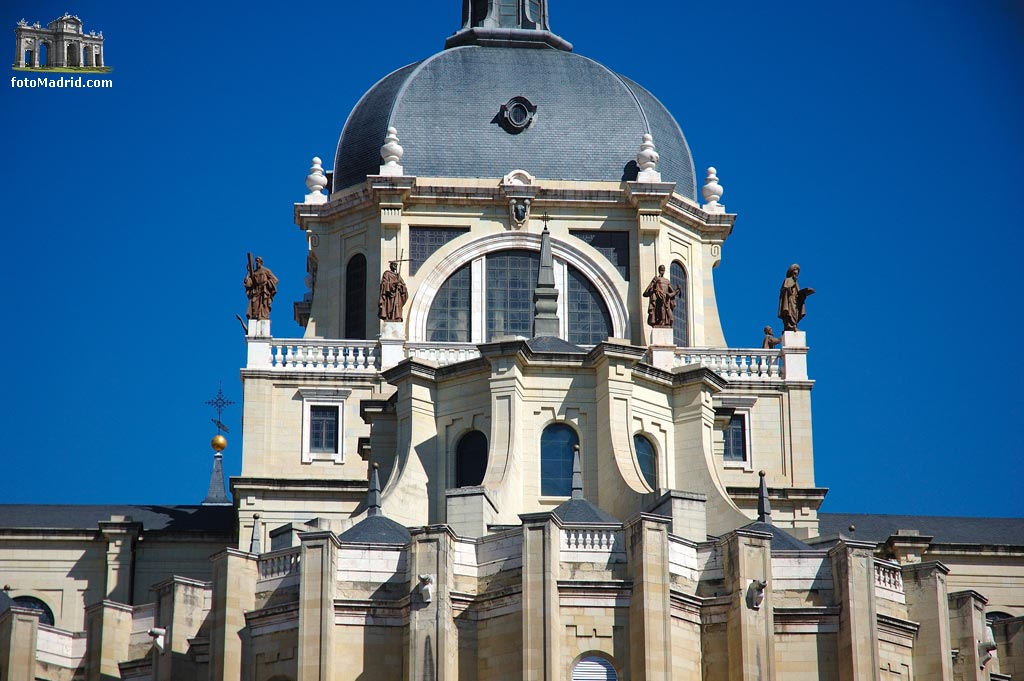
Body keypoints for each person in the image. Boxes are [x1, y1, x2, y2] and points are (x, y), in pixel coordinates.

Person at [777, 264, 815, 331]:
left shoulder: (796, 283)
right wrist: (789, 290)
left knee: (795, 313)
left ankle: (794, 325)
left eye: (797, 273)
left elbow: (798, 293)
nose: (796, 275)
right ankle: (789, 325)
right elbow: (784, 289)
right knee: (789, 313)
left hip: (795, 300)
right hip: (789, 300)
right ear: (792, 272)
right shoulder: (787, 280)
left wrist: (804, 293)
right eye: (795, 272)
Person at [244, 256, 278, 321]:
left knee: (264, 306)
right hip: (255, 292)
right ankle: (255, 317)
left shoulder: (266, 270)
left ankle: (263, 317)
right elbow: (248, 283)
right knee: (254, 307)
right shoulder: (253, 273)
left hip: (264, 291)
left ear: (261, 262)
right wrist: (248, 272)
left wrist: (267, 284)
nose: (257, 262)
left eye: (258, 261)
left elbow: (275, 280)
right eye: (256, 261)